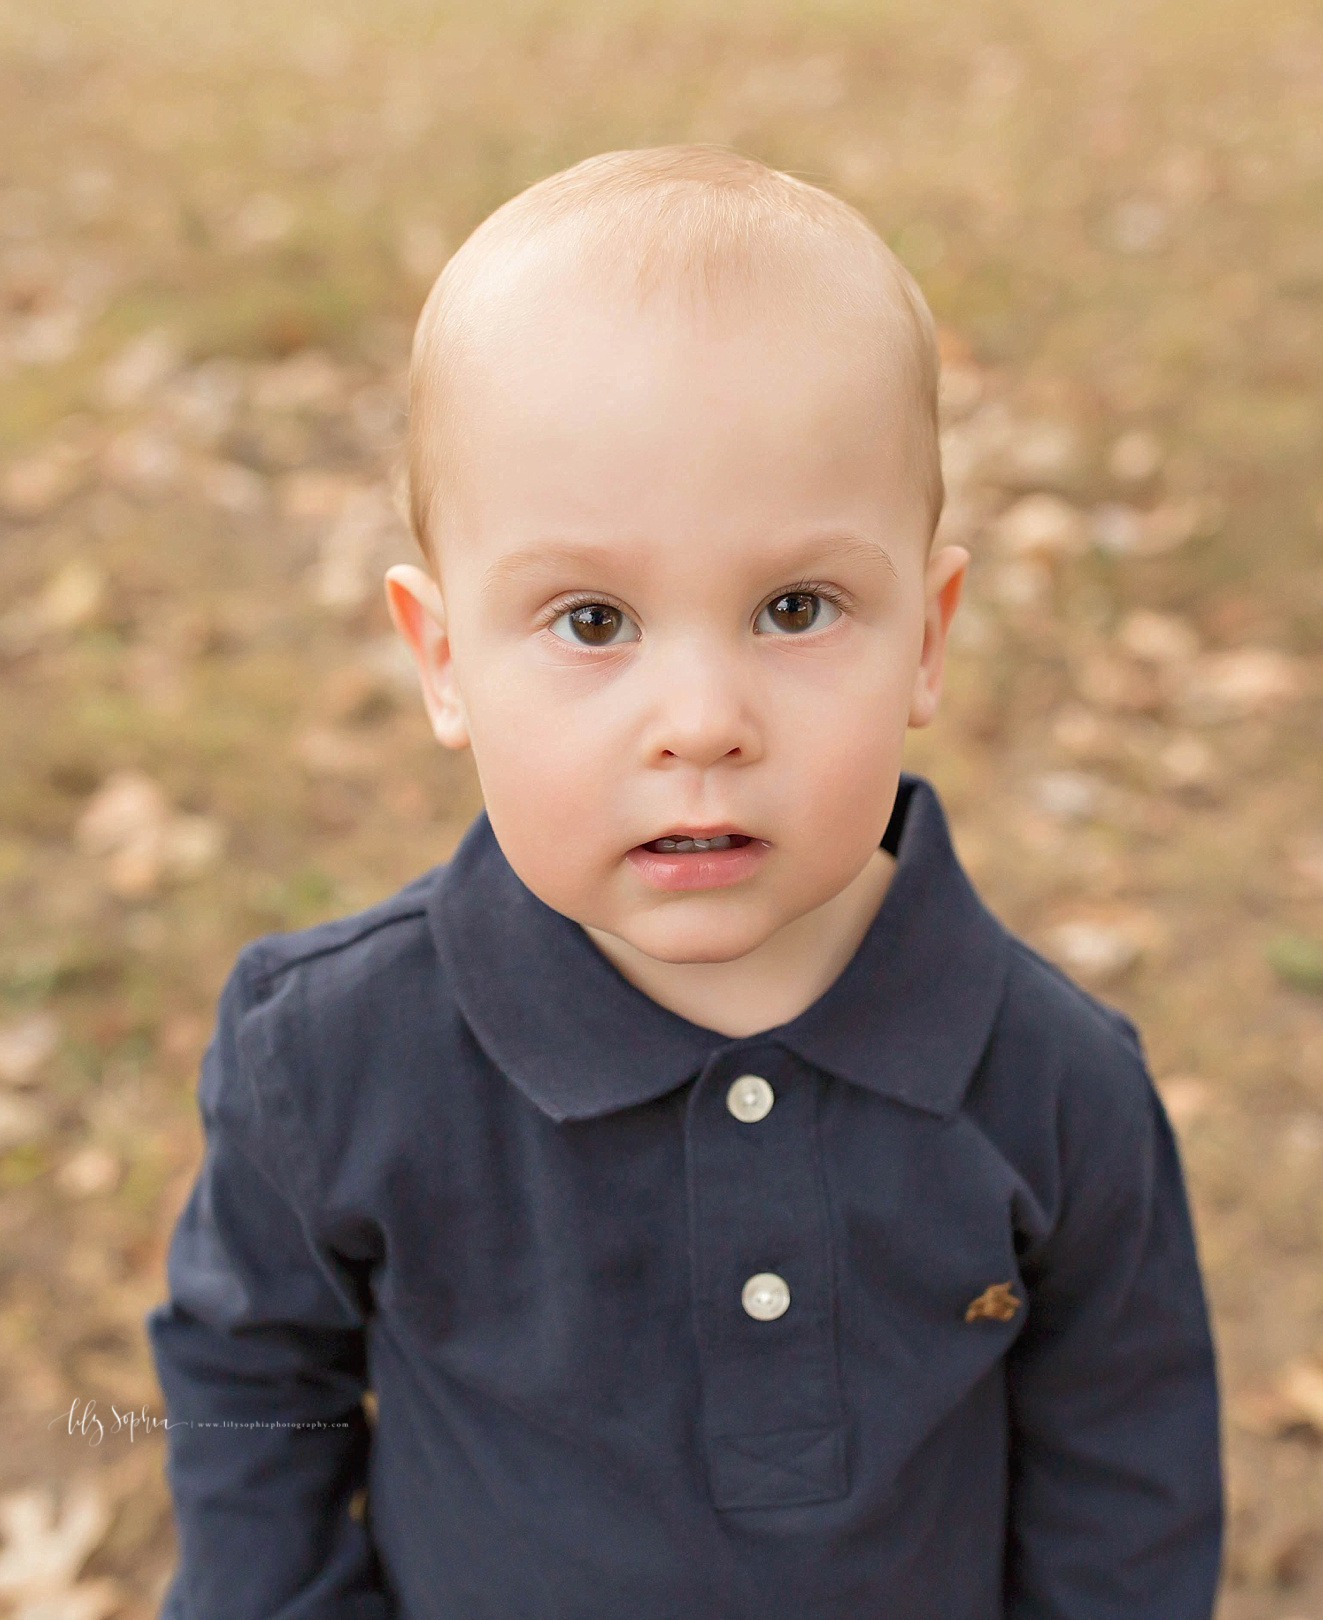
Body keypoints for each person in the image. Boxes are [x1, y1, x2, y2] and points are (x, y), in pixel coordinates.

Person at [144, 144, 1222, 1619]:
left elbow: (1127, 1468)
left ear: (926, 632)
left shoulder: (1051, 1088)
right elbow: (250, 1385)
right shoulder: (327, 1061)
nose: (701, 717)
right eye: (592, 618)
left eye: (795, 607)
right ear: (443, 659)